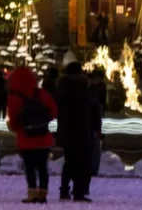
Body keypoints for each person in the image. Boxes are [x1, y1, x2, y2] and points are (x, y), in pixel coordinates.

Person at [7, 66, 57, 204]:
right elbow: (52, 111)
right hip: (43, 137)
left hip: (26, 139)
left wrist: (16, 128)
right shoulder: (41, 94)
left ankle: (32, 193)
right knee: (42, 167)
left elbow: (14, 121)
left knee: (29, 168)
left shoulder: (14, 98)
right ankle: (43, 193)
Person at [56, 62, 102, 202]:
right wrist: (97, 129)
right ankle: (78, 191)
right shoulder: (86, 89)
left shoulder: (61, 89)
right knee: (82, 162)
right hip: (83, 131)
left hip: (66, 130)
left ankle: (64, 190)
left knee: (69, 161)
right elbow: (94, 111)